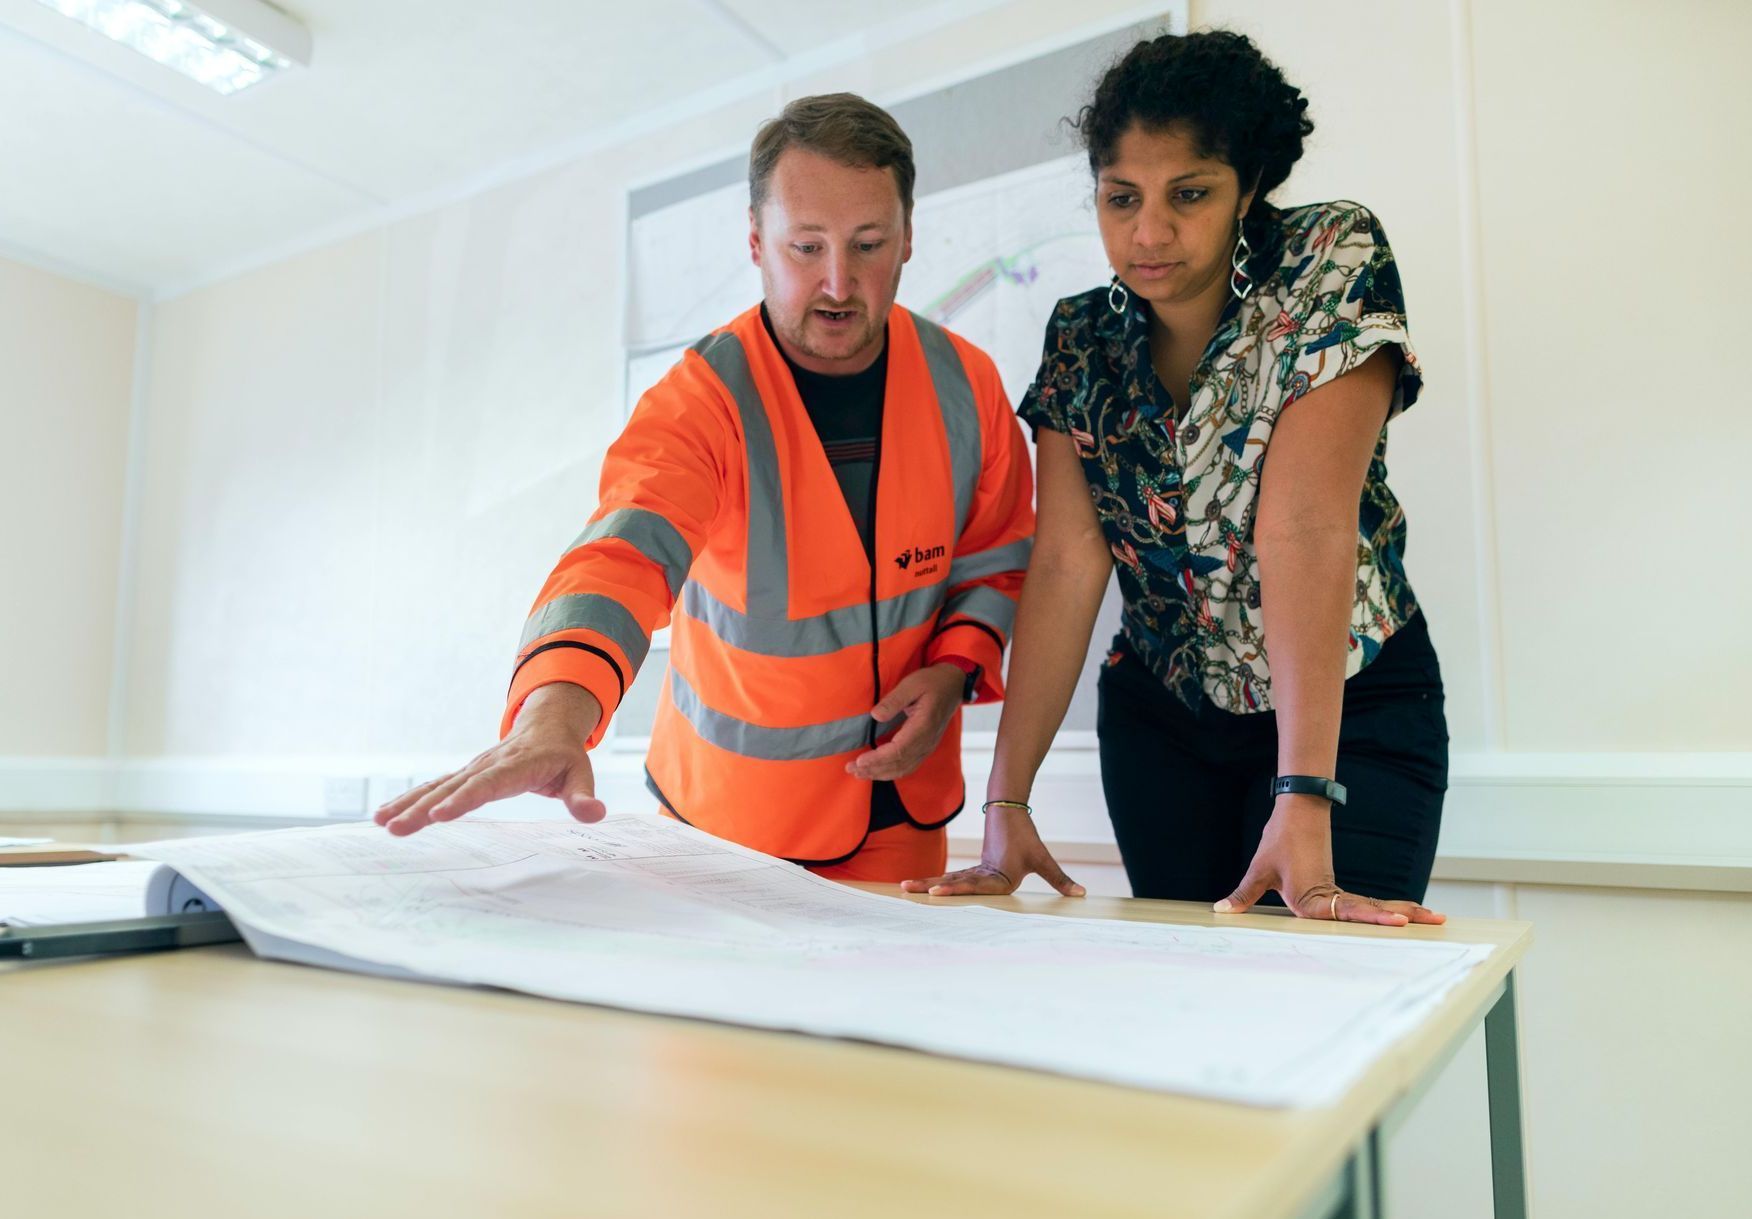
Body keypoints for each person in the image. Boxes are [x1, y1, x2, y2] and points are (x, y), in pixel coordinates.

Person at [373, 94, 1036, 884]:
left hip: (902, 816)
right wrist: (554, 715)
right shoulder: (699, 400)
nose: (837, 281)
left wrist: (955, 667)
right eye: (805, 247)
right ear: (756, 243)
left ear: (909, 240)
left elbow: (994, 560)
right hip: (728, 832)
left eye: (868, 244)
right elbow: (621, 556)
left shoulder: (968, 385)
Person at [905, 32, 1448, 926]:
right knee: (1192, 1020)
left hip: (1348, 713)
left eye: (1188, 194)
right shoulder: (1081, 336)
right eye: (1121, 198)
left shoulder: (1328, 260)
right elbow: (1069, 564)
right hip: (1162, 727)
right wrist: (1006, 805)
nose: (1148, 232)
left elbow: (1302, 528)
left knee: (1317, 1001)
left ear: (1249, 185)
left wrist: (1304, 790)